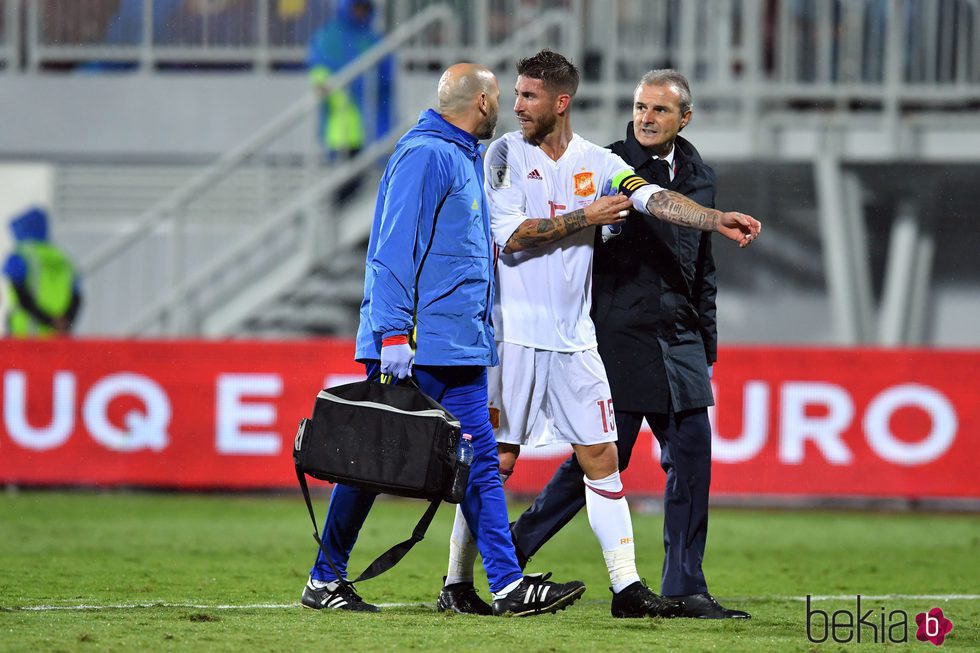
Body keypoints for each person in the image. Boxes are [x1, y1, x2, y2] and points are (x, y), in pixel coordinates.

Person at [438, 50, 760, 619]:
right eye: (516, 94)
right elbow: (513, 237)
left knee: (603, 457)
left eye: (529, 96)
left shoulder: (596, 160)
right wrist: (588, 217)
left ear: (561, 102)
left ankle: (627, 588)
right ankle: (457, 581)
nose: (517, 106)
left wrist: (716, 218)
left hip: (576, 341)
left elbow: (650, 198)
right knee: (498, 460)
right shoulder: (504, 154)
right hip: (516, 338)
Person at [301, 63, 586, 617]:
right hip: (419, 343)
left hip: (459, 344)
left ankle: (506, 585)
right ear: (481, 102)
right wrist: (390, 334)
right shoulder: (426, 155)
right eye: (499, 98)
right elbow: (392, 248)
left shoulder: (459, 156)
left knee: (477, 464)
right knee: (373, 460)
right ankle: (325, 576)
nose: (501, 107)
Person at [307, 0, 395, 202]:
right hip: (343, 122)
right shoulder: (330, 38)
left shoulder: (372, 39)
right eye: (356, 8)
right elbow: (320, 72)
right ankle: (334, 210)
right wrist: (338, 92)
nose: (360, 14)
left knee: (359, 175)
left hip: (370, 122)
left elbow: (386, 79)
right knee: (347, 178)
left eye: (365, 9)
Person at [3, 207, 82, 337]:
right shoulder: (63, 258)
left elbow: (21, 294)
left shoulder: (20, 255)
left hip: (23, 336)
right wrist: (65, 322)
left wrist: (47, 320)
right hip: (56, 337)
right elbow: (77, 297)